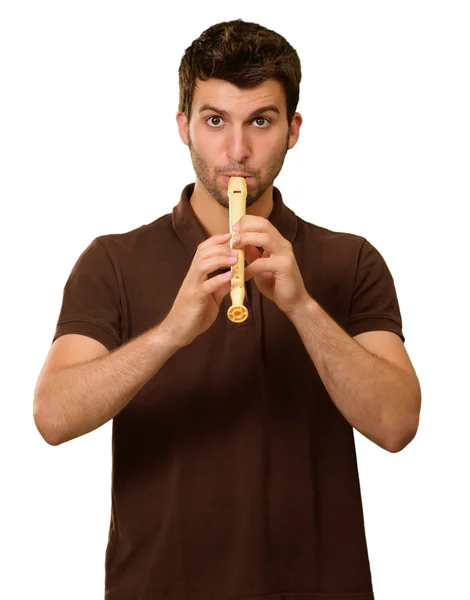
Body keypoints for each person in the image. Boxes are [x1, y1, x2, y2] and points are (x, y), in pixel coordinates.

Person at [33, 18, 421, 600]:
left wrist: (302, 306)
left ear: (292, 130)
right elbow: (52, 418)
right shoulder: (112, 261)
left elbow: (397, 425)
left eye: (260, 121)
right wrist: (170, 333)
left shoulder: (351, 261)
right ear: (184, 126)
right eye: (215, 121)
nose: (237, 151)